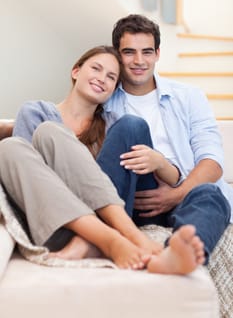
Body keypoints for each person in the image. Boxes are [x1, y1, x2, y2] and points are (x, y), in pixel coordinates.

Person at [0, 45, 205, 274]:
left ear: (113, 90)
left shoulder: (113, 125)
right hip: (56, 219)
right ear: (75, 71)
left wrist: (161, 163)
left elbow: (121, 179)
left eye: (111, 77)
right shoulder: (35, 112)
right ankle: (113, 239)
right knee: (13, 146)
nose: (102, 79)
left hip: (106, 214)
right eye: (96, 69)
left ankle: (120, 238)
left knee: (53, 131)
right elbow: (26, 175)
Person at [101, 14, 232, 266]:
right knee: (131, 126)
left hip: (185, 194)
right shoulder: (105, 100)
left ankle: (178, 258)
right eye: (129, 52)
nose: (139, 61)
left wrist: (177, 194)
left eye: (147, 52)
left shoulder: (189, 97)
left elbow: (212, 162)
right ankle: (109, 234)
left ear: (158, 53)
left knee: (211, 193)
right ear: (117, 55)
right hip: (133, 199)